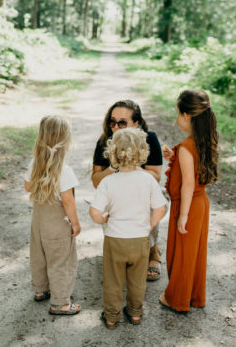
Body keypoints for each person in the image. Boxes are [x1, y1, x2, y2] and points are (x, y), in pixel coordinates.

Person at [89, 127, 166, 329]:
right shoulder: (148, 179)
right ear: (143, 152)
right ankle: (135, 313)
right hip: (140, 240)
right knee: (137, 281)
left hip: (115, 240)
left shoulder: (108, 182)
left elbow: (94, 211)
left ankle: (112, 316)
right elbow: (160, 208)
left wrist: (103, 218)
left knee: (113, 281)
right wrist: (150, 225)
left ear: (112, 153)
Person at [159, 89, 219, 313]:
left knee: (182, 253)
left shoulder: (186, 147)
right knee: (194, 252)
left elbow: (187, 185)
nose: (177, 118)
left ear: (186, 116)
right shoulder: (202, 141)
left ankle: (177, 299)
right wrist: (175, 160)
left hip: (188, 205)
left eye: (177, 113)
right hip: (201, 203)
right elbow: (194, 172)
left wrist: (182, 215)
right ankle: (194, 296)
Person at [91, 100, 164, 281]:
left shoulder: (150, 138)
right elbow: (95, 181)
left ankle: (153, 251)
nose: (116, 127)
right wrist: (113, 167)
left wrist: (131, 165)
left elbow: (155, 177)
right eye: (112, 122)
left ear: (136, 123)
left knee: (153, 204)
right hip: (115, 195)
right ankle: (119, 252)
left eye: (122, 122)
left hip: (141, 194)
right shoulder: (105, 141)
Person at [24, 115, 82, 315]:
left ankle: (41, 290)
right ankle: (60, 303)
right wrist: (75, 223)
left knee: (39, 256)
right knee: (60, 261)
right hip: (58, 226)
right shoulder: (64, 171)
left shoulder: (34, 164)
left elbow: (27, 186)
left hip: (38, 225)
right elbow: (68, 201)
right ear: (66, 143)